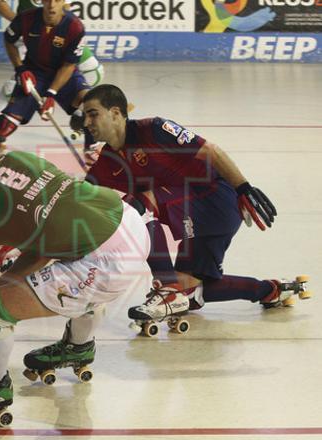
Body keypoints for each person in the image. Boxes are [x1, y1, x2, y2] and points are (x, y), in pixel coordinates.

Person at [0, 122, 151, 430]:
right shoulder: (16, 160)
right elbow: (44, 247)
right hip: (128, 224)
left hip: (106, 262)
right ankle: (78, 345)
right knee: (62, 276)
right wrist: (3, 285)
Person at [81, 84, 308, 334]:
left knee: (138, 208)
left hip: (215, 198)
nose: (86, 122)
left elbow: (210, 150)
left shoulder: (154, 129)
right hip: (194, 215)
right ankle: (271, 290)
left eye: (93, 113)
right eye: (85, 116)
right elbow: (81, 197)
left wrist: (243, 188)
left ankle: (166, 289)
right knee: (190, 290)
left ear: (115, 113)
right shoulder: (106, 160)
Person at [0, 0, 96, 153]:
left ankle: (92, 149)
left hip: (65, 75)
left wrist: (51, 94)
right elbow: (9, 40)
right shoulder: (26, 19)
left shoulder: (75, 27)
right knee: (4, 126)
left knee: (91, 103)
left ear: (64, 2)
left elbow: (69, 66)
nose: (51, 5)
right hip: (34, 73)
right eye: (48, 0)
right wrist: (20, 68)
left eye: (57, 0)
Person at [0, 0, 105, 119]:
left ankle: (78, 114)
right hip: (29, 37)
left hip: (57, 35)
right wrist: (23, 24)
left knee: (94, 71)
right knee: (17, 86)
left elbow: (65, 7)